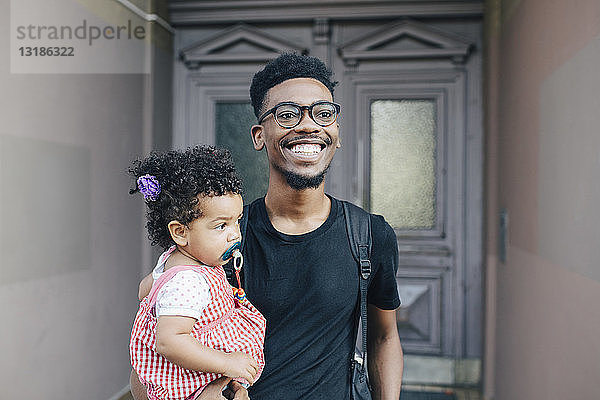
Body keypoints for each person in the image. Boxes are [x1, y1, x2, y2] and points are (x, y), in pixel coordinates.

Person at [131, 53, 403, 400]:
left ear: (336, 133)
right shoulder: (221, 235)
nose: (308, 125)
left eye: (323, 113)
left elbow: (384, 337)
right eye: (288, 114)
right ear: (259, 135)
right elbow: (154, 338)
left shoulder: (370, 235)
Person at [128, 145, 266, 400]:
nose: (235, 233)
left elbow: (143, 291)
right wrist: (228, 363)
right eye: (221, 225)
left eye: (237, 220)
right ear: (180, 232)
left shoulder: (173, 260)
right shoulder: (188, 281)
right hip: (188, 386)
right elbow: (169, 341)